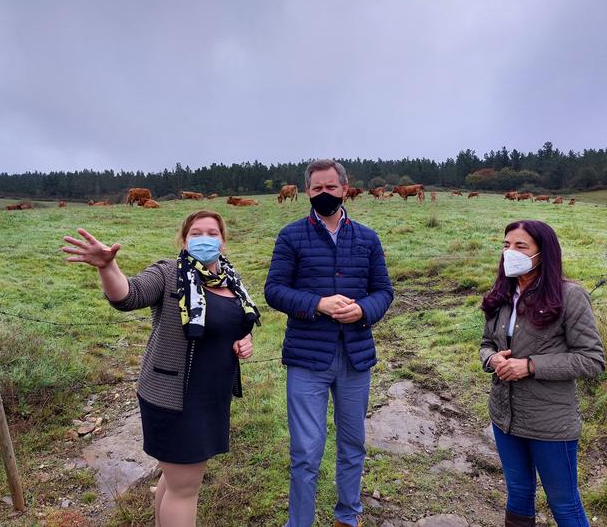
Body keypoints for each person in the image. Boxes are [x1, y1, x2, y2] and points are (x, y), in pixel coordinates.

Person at [62, 210, 259, 527]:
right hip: (174, 399)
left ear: (223, 241)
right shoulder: (170, 273)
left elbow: (235, 323)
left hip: (212, 398)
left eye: (212, 233)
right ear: (183, 240)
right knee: (186, 488)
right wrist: (108, 266)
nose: (205, 239)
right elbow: (129, 295)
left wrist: (244, 339)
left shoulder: (230, 280)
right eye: (196, 233)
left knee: (177, 476)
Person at [264, 159, 394, 527]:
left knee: (352, 445)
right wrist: (317, 304)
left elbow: (384, 291)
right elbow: (274, 290)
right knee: (306, 451)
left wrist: (364, 310)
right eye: (317, 188)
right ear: (307, 191)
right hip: (308, 358)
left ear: (344, 188)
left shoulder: (367, 238)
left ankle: (348, 517)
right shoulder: (291, 236)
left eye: (331, 188)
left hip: (355, 358)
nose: (324, 194)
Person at [479, 220, 604, 527]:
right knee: (518, 494)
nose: (510, 252)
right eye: (506, 245)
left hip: (550, 424)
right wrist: (493, 359)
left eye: (521, 246)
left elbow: (592, 360)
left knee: (564, 503)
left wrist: (531, 366)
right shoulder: (501, 295)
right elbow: (484, 345)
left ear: (543, 253)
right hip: (504, 417)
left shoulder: (570, 297)